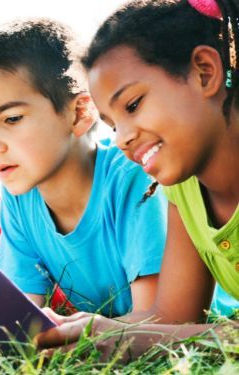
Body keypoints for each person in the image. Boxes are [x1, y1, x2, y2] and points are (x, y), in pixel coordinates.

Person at [36, 0, 238, 359]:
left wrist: (130, 340)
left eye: (132, 105)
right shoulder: (185, 191)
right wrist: (95, 329)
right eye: (112, 124)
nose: (121, 138)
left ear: (204, 72)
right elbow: (176, 319)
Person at [0, 19, 167, 317]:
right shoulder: (19, 198)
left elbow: (155, 319)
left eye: (12, 119)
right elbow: (16, 316)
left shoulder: (132, 178)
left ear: (80, 113)